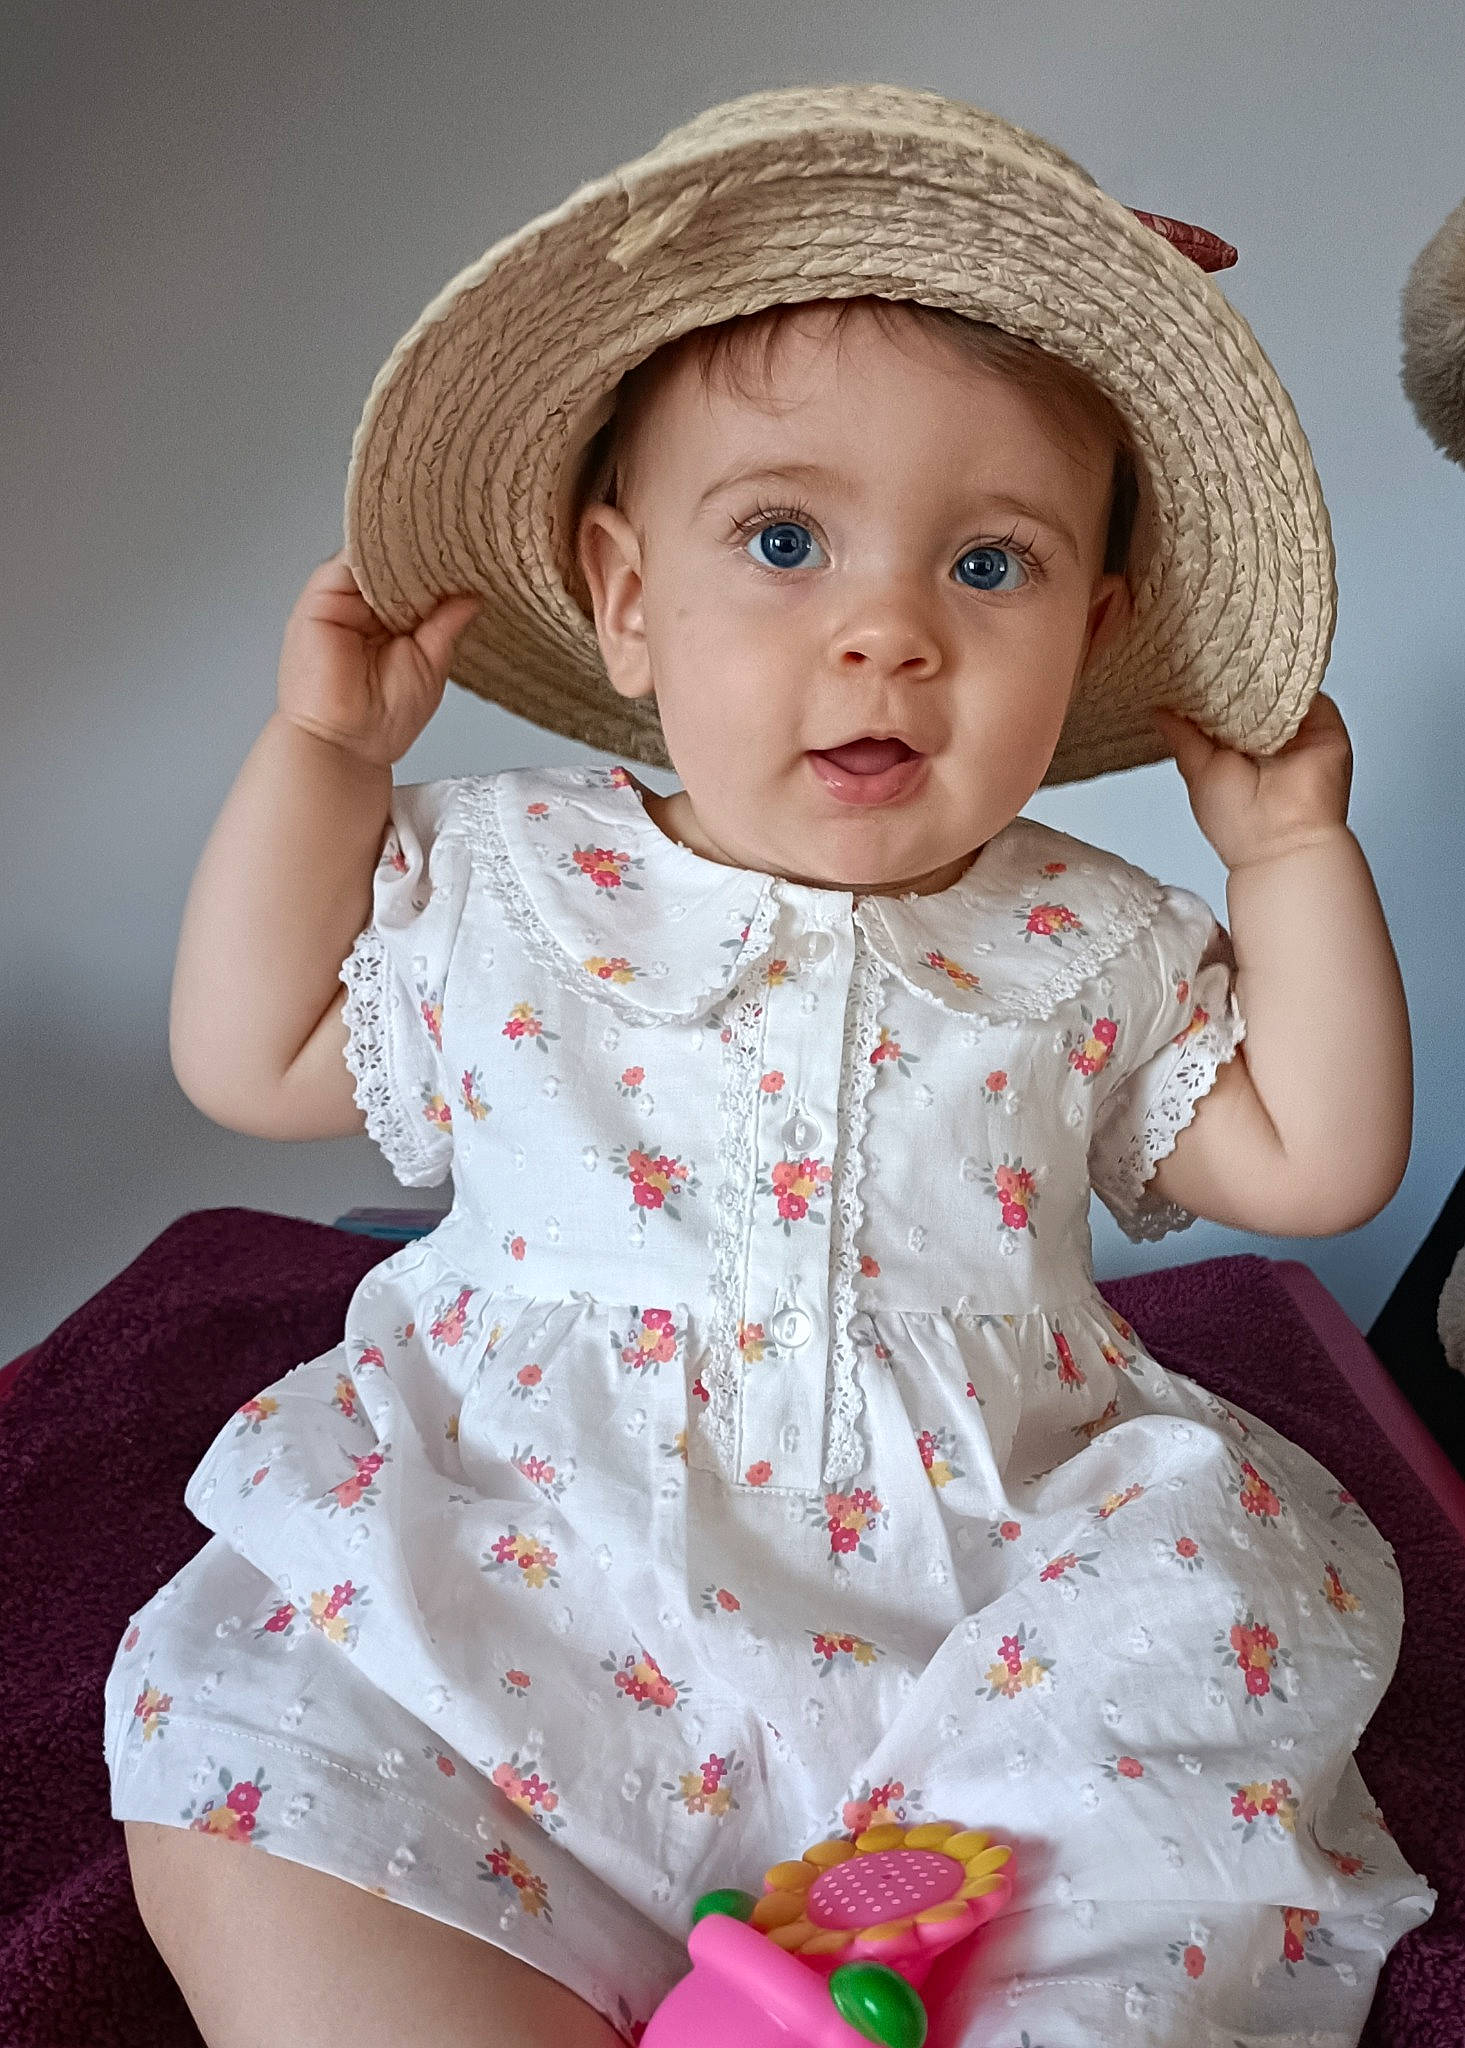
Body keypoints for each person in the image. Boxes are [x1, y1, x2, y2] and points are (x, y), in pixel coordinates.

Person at [106, 83, 1436, 2048]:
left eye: (988, 567)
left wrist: (1288, 856)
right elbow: (255, 1052)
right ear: (629, 598)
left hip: (973, 1625)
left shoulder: (1089, 933)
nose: (886, 632)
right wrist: (325, 764)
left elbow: (1318, 1164)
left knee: (1193, 1659)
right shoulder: (508, 876)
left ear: (1098, 628)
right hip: (527, 1568)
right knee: (271, 1747)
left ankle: (898, 1991)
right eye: (787, 540)